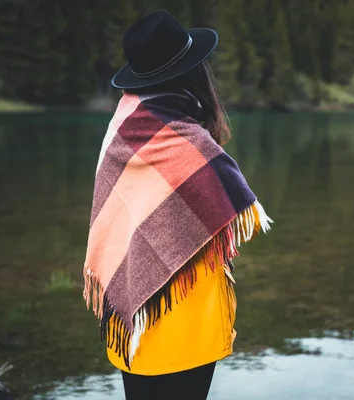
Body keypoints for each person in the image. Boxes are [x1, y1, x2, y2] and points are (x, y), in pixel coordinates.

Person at [82, 10, 272, 400]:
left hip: (132, 313)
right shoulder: (189, 141)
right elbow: (237, 211)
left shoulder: (124, 118)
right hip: (186, 316)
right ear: (193, 72)